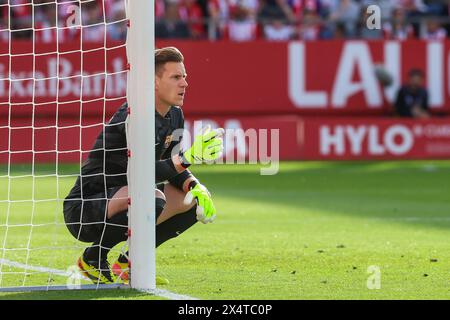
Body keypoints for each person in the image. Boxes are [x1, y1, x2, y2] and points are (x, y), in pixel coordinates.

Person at [63, 47, 224, 285]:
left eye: (185, 77)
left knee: (191, 201)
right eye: (176, 77)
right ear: (155, 82)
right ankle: (93, 257)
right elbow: (144, 173)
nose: (185, 84)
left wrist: (194, 185)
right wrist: (188, 158)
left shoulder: (175, 116)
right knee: (152, 196)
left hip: (130, 198)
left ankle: (128, 263)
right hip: (86, 209)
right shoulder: (134, 116)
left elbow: (172, 164)